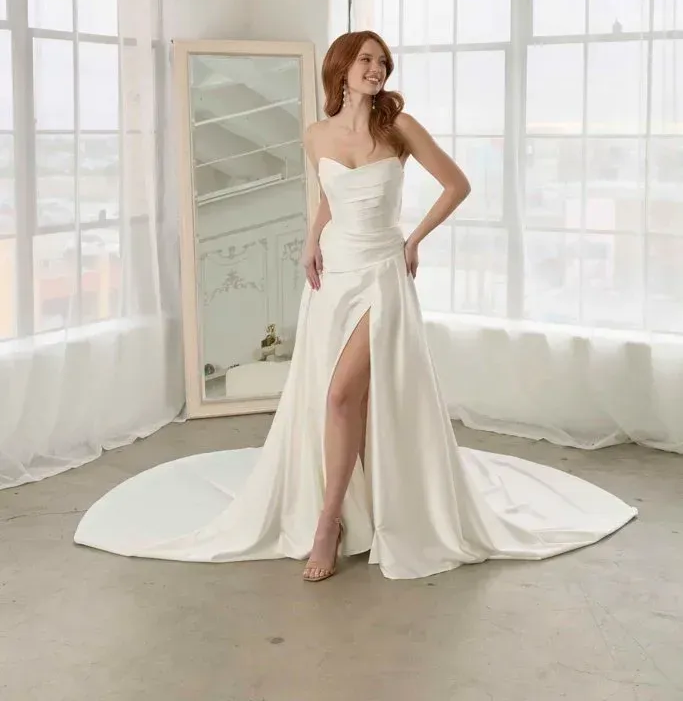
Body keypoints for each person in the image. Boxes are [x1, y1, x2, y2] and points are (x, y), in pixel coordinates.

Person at [74, 31, 636, 581]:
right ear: (341, 68)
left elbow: (457, 185)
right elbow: (329, 197)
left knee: (341, 393)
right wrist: (311, 241)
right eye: (366, 59)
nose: (376, 69)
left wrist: (414, 240)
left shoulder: (399, 128)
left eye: (382, 62)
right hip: (333, 275)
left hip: (382, 273)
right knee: (342, 400)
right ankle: (354, 507)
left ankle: (329, 522)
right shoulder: (316, 135)